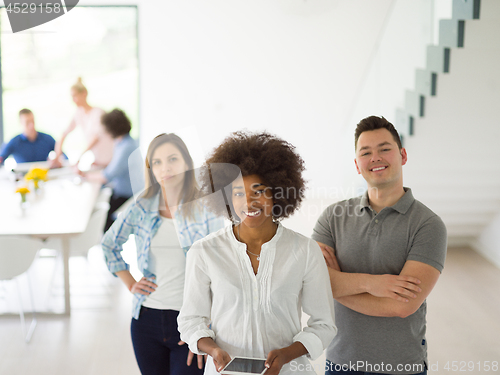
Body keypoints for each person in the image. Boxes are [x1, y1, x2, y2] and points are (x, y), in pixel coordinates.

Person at [178, 131, 337, 375]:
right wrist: (212, 349)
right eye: (239, 193)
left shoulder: (304, 251)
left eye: (259, 191)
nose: (249, 202)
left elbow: (324, 324)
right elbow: (190, 321)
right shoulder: (204, 251)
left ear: (278, 192)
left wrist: (287, 354)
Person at [311, 116, 447, 375]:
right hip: (340, 362)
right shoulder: (332, 216)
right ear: (356, 164)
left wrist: (335, 283)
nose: (375, 157)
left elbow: (402, 305)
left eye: (385, 149)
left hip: (402, 366)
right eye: (366, 152)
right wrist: (373, 284)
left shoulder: (429, 225)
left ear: (403, 155)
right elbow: (311, 284)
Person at [101, 133, 225, 375]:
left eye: (172, 159)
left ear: (186, 163)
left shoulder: (206, 207)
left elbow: (220, 269)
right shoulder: (142, 205)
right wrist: (131, 283)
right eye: (156, 162)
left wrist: (203, 331)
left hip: (190, 321)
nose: (165, 168)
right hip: (145, 320)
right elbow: (109, 245)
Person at [78, 109, 139, 232]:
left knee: (101, 216)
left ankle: (111, 241)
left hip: (128, 193)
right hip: (123, 189)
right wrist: (100, 164)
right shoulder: (124, 141)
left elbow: (108, 176)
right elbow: (118, 165)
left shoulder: (126, 147)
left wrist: (85, 176)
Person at [52, 77, 114, 167]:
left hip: (110, 158)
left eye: (75, 96)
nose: (73, 100)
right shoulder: (79, 113)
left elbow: (96, 138)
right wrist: (57, 156)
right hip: (98, 161)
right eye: (72, 97)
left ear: (84, 94)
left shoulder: (98, 113)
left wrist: (80, 157)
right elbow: (64, 134)